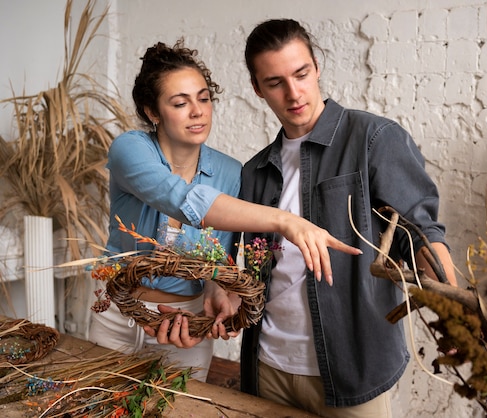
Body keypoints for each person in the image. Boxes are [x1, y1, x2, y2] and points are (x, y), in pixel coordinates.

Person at [153, 19, 458, 417]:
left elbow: (421, 235)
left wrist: (455, 311)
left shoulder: (373, 139)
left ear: (317, 68)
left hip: (353, 372)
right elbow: (259, 269)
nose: (293, 93)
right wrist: (228, 300)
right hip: (267, 367)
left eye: (301, 74)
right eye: (276, 82)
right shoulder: (256, 171)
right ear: (257, 88)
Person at [88, 38, 361, 383]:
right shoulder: (130, 149)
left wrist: (217, 294)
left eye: (203, 98)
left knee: (178, 408)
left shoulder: (233, 173)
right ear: (151, 111)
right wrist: (286, 221)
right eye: (180, 103)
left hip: (183, 319)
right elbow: (181, 199)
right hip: (115, 309)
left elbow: (220, 262)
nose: (198, 111)